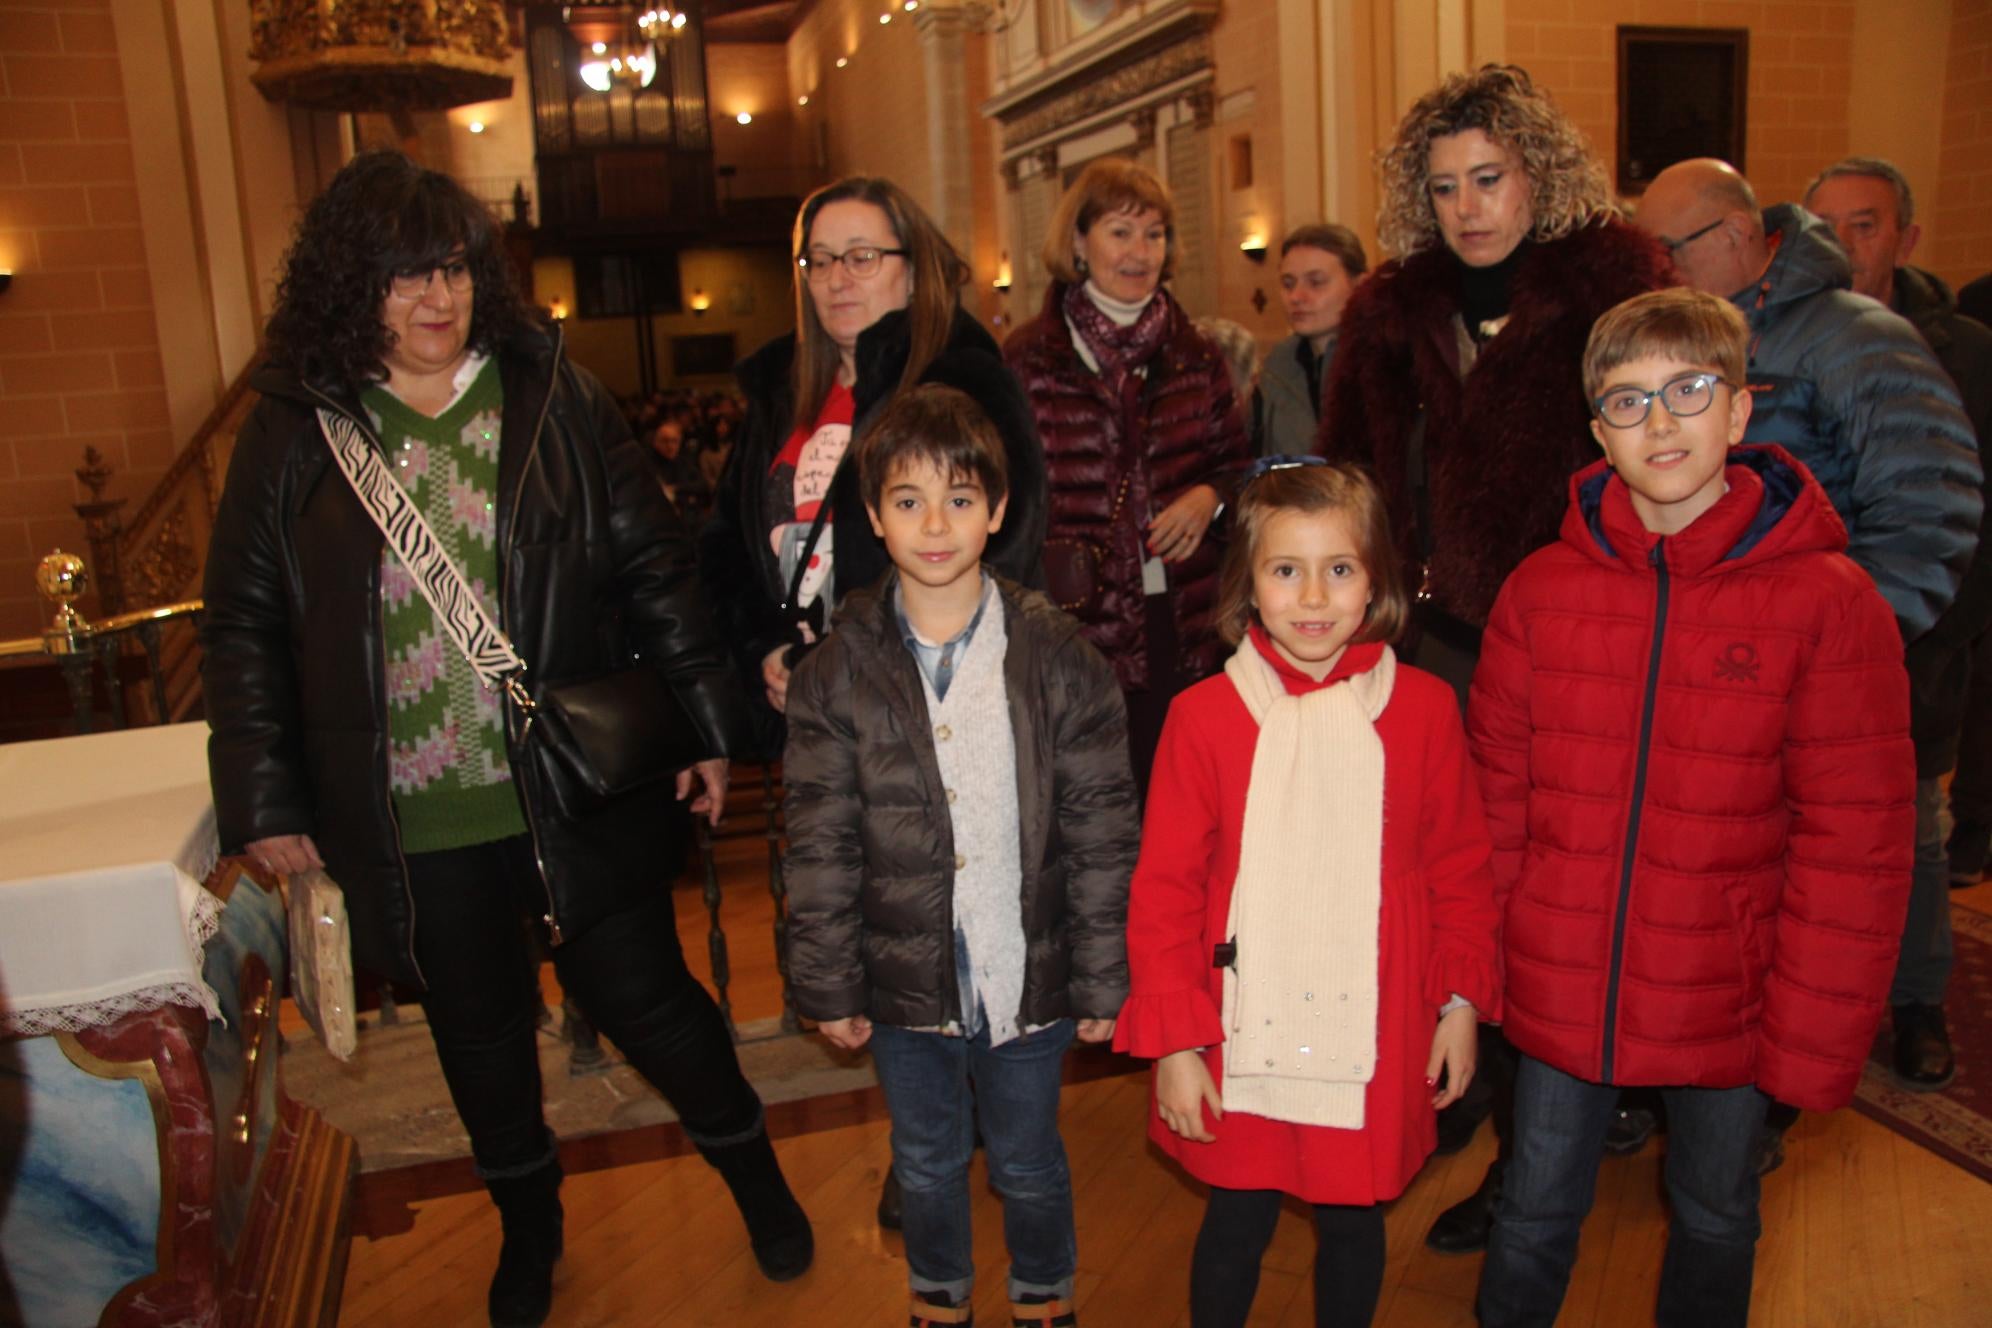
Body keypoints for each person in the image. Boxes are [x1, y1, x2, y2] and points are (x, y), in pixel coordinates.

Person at [199, 152, 812, 1328]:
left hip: (571, 789)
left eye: (452, 269)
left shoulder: (552, 392)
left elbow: (651, 566)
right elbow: (244, 625)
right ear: (349, 289)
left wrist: (702, 721)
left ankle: (761, 1183)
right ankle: (530, 1230)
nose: (436, 297)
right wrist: (264, 797)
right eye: (402, 277)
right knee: (480, 1044)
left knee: (659, 1009)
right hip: (411, 817)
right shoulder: (295, 430)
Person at [1470, 287, 1915, 1328]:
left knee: (1715, 1211)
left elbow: (1855, 846)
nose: (1659, 421)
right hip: (1562, 979)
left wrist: (1812, 1030)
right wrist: (1480, 961)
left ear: (1741, 410)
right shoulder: (1542, 590)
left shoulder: (1828, 603)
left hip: (1732, 987)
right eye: (1627, 402)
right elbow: (1497, 798)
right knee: (1533, 1209)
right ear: (1596, 432)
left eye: (1688, 389)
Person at [1315, 64, 1673, 1252]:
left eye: (1491, 177)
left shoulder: (1615, 289)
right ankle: (1456, 1089)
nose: (1469, 206)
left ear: (1538, 174)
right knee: (1440, 889)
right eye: (1445, 185)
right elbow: (1352, 488)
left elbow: (1664, 475)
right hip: (1430, 653)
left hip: (1580, 657)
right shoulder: (1388, 310)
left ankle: (1535, 1159)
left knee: (1544, 910)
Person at [782, 385, 1140, 1328]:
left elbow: (1102, 830)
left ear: (999, 509)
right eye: (907, 501)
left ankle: (1043, 1293)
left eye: (959, 499)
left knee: (1028, 1157)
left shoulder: (1060, 658)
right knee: (928, 1157)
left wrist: (1106, 978)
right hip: (905, 980)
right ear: (872, 516)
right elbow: (816, 838)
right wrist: (831, 985)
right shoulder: (838, 669)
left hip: (1029, 973)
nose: (934, 525)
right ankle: (938, 1295)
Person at [1115, 458, 1501, 1328]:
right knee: (1236, 1219)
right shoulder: (1204, 717)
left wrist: (1460, 1001)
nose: (1315, 596)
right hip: (1237, 1026)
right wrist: (1176, 1043)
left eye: (1341, 569)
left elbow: (1462, 869)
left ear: (1377, 584)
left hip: (1377, 1025)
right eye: (1287, 570)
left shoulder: (1428, 709)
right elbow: (1166, 891)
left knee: (1354, 1220)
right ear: (1248, 585)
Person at [1636, 158, 1981, 1103]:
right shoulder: (1686, 342)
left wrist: (1842, 650)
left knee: (1890, 847)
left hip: (1844, 669)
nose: (1655, 263)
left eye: (1671, 247)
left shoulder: (1856, 337)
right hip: (1729, 678)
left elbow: (1932, 506)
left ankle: (1914, 1008)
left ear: (1741, 235)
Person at [701, 175, 1048, 754]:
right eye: (820, 260)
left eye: (862, 258)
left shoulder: (963, 379)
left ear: (913, 270)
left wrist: (838, 660)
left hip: (932, 711)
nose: (837, 279)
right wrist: (767, 647)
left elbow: (1008, 543)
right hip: (809, 716)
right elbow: (725, 545)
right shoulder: (782, 396)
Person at [1004, 157, 1250, 790]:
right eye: (1121, 231)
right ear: (1079, 243)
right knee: (1097, 806)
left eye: (1155, 233)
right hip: (1078, 623)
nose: (1141, 251)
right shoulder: (1030, 359)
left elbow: (1239, 466)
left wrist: (1209, 497)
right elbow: (1007, 497)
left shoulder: (1195, 353)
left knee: (1190, 795)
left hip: (1186, 622)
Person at [1804, 156, 1992, 910]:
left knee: (1909, 849)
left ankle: (1917, 1016)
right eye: (1828, 228)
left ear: (1906, 239)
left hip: (1920, 651)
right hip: (1812, 649)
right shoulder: (1778, 342)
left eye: (1866, 225)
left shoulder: (1970, 355)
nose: (1846, 244)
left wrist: (1935, 632)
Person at [1253, 225, 1366, 457]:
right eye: (1288, 283)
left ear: (1359, 285)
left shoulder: (1384, 363)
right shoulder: (1275, 368)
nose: (1296, 297)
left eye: (1316, 282)